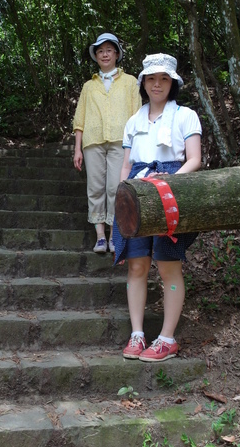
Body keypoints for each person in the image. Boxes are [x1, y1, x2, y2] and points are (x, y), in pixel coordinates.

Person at [112, 53, 202, 362]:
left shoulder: (186, 115)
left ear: (173, 83)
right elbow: (126, 165)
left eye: (164, 78)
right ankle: (137, 333)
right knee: (137, 264)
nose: (157, 84)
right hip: (136, 191)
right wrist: (121, 201)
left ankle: (166, 338)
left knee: (168, 265)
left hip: (173, 192)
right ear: (144, 83)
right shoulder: (134, 121)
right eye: (151, 78)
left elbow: (194, 159)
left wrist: (170, 183)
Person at [73, 33, 142, 253]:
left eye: (109, 50)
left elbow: (137, 115)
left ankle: (114, 235)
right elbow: (80, 119)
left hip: (121, 142)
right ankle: (100, 236)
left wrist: (137, 145)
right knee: (94, 188)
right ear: (96, 55)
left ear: (117, 54)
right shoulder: (88, 86)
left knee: (116, 186)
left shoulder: (131, 82)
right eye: (100, 50)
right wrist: (77, 148)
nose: (105, 54)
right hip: (92, 142)